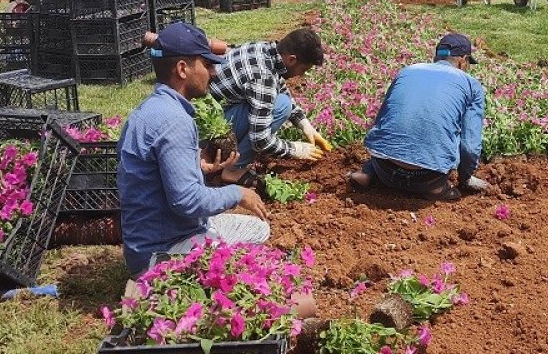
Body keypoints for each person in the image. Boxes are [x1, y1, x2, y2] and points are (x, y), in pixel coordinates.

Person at [117, 22, 270, 277]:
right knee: (258, 231)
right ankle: (165, 283)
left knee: (247, 229)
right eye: (207, 65)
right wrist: (238, 193)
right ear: (182, 69)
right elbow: (187, 202)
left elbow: (150, 176)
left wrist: (195, 165)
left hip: (145, 242)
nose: (213, 72)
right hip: (160, 253)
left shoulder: (149, 110)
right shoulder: (175, 121)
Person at [348, 33, 489, 201]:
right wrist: (465, 178)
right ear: (462, 60)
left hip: (385, 170)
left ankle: (367, 173)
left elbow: (381, 119)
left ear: (436, 56)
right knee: (452, 133)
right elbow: (470, 147)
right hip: (427, 178)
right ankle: (437, 189)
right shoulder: (471, 85)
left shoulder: (407, 71)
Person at [208, 28, 330, 188]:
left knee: (281, 101)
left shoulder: (264, 49)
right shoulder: (262, 77)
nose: (301, 75)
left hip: (210, 119)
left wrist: (304, 124)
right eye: (304, 70)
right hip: (205, 137)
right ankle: (234, 170)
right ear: (292, 60)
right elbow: (260, 140)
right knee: (281, 106)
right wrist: (295, 149)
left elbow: (278, 87)